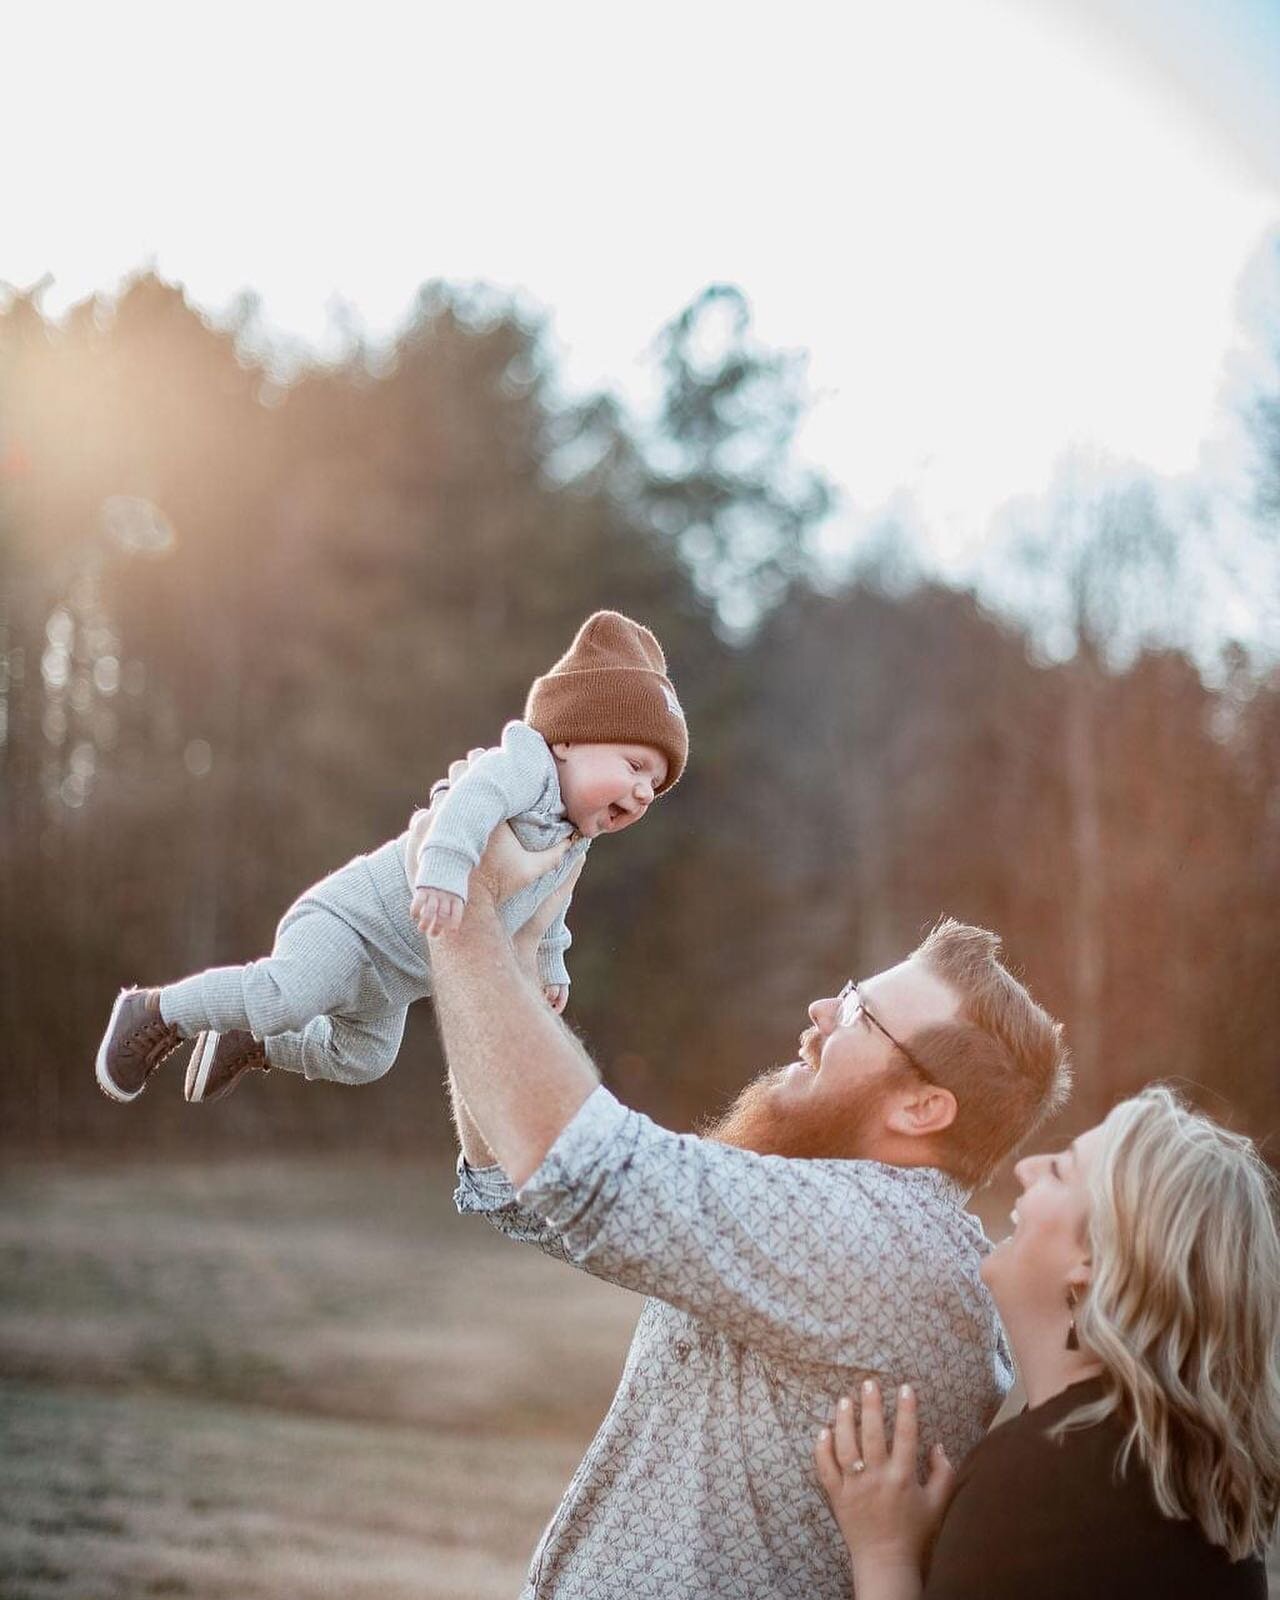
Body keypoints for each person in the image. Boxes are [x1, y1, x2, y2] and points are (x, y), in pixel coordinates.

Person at [423, 794, 1072, 1599]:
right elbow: (516, 1184)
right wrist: (509, 947)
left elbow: (583, 1169)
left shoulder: (887, 1246)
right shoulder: (824, 1202)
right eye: (846, 990)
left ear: (922, 1107)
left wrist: (460, 911)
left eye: (861, 1015)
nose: (822, 1011)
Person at [93, 610, 687, 1106]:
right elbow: (467, 804)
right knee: (287, 996)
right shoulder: (523, 766)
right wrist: (444, 873)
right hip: (353, 923)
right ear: (568, 739)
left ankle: (256, 1043)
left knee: (365, 1059)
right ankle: (155, 1010)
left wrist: (554, 966)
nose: (641, 793)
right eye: (634, 766)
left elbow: (551, 911)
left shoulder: (570, 841)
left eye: (655, 786)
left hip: (397, 979)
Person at [815, 1085, 1280, 1599]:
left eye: (1060, 1171)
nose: (1026, 1167)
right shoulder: (1187, 1473)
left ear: (1093, 1263)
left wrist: (885, 1553)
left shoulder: (1043, 1478)